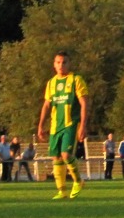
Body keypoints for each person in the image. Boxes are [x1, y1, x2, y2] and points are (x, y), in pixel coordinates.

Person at [37, 50, 89, 200]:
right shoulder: (51, 83)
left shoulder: (76, 80)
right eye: (58, 62)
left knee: (66, 155)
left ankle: (78, 181)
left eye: (64, 62)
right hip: (55, 126)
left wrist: (83, 125)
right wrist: (41, 125)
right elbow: (46, 105)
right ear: (54, 65)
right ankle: (62, 191)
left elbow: (84, 103)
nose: (61, 65)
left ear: (69, 64)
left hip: (70, 124)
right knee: (56, 158)